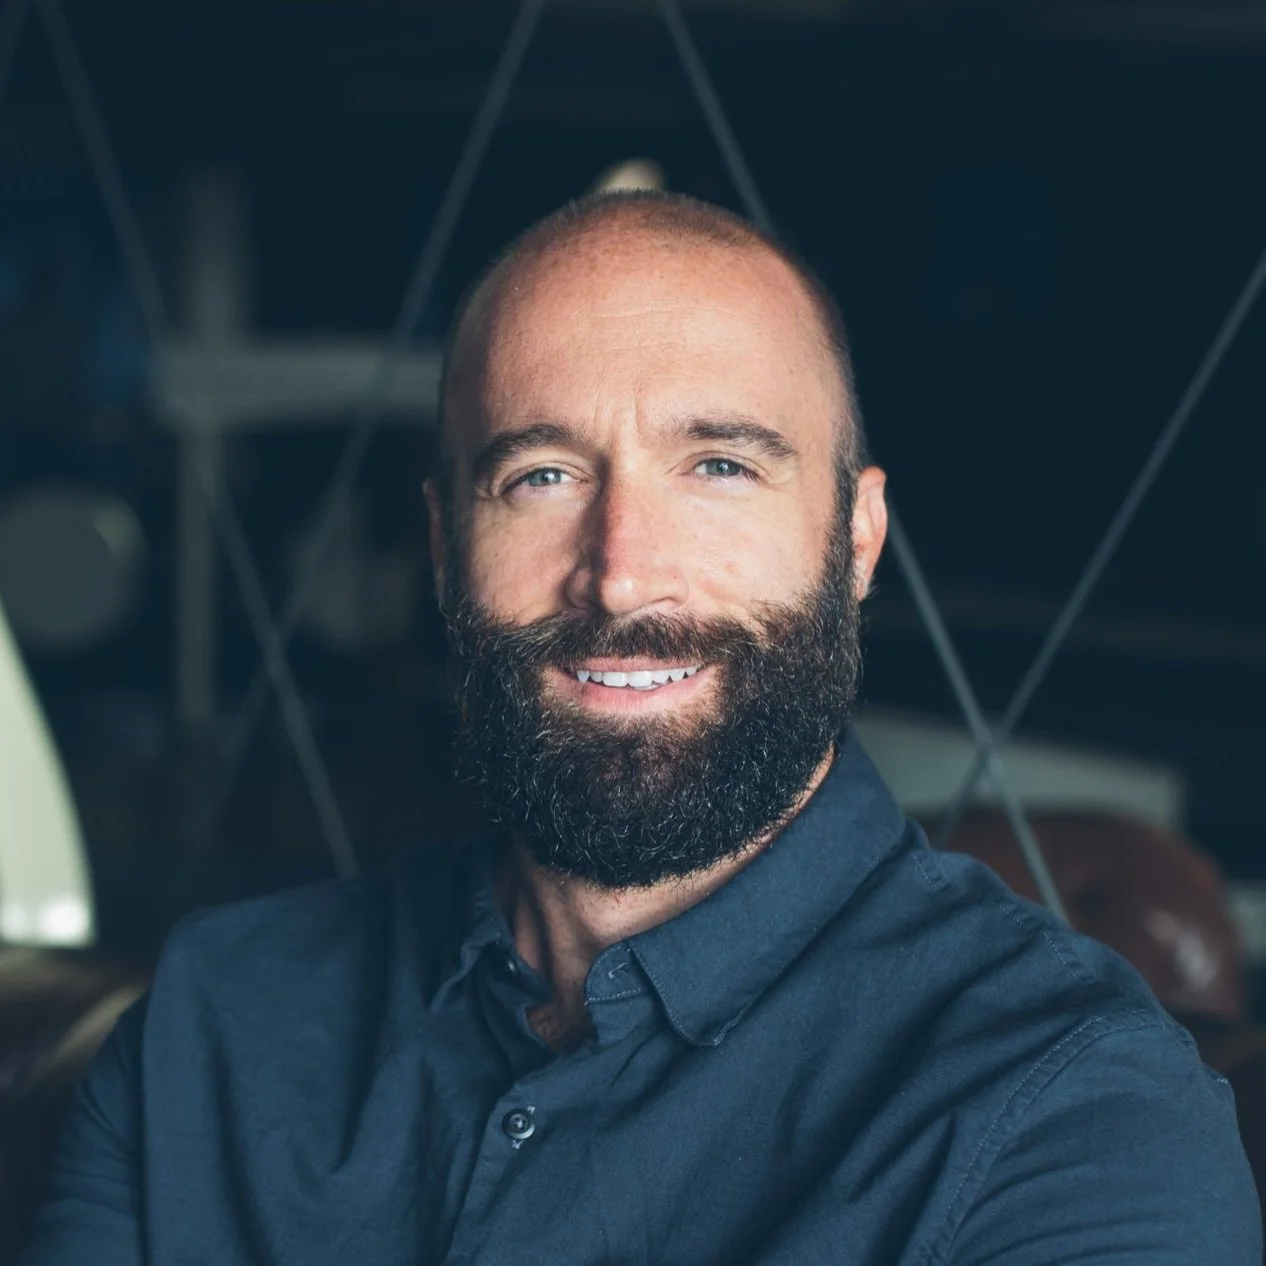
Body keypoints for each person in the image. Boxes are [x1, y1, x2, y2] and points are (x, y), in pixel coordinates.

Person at [20, 190, 1260, 1264]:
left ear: (857, 539)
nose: (618, 573)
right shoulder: (214, 1022)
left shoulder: (1076, 1121)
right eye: (541, 477)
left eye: (720, 467)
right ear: (447, 548)